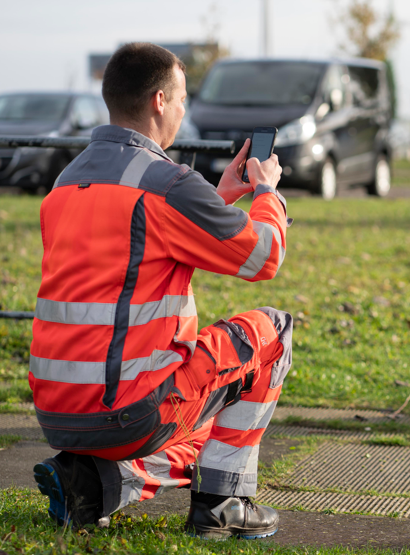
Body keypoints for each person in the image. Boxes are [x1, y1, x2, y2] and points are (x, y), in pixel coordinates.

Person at [29, 42, 292, 540]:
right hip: (126, 412)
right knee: (271, 332)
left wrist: (217, 199)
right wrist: (267, 192)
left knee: (203, 417)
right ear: (158, 102)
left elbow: (139, 250)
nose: (184, 109)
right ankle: (222, 502)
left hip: (57, 409)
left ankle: (99, 485)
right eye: (183, 98)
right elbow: (264, 256)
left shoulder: (66, 182)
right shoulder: (166, 183)